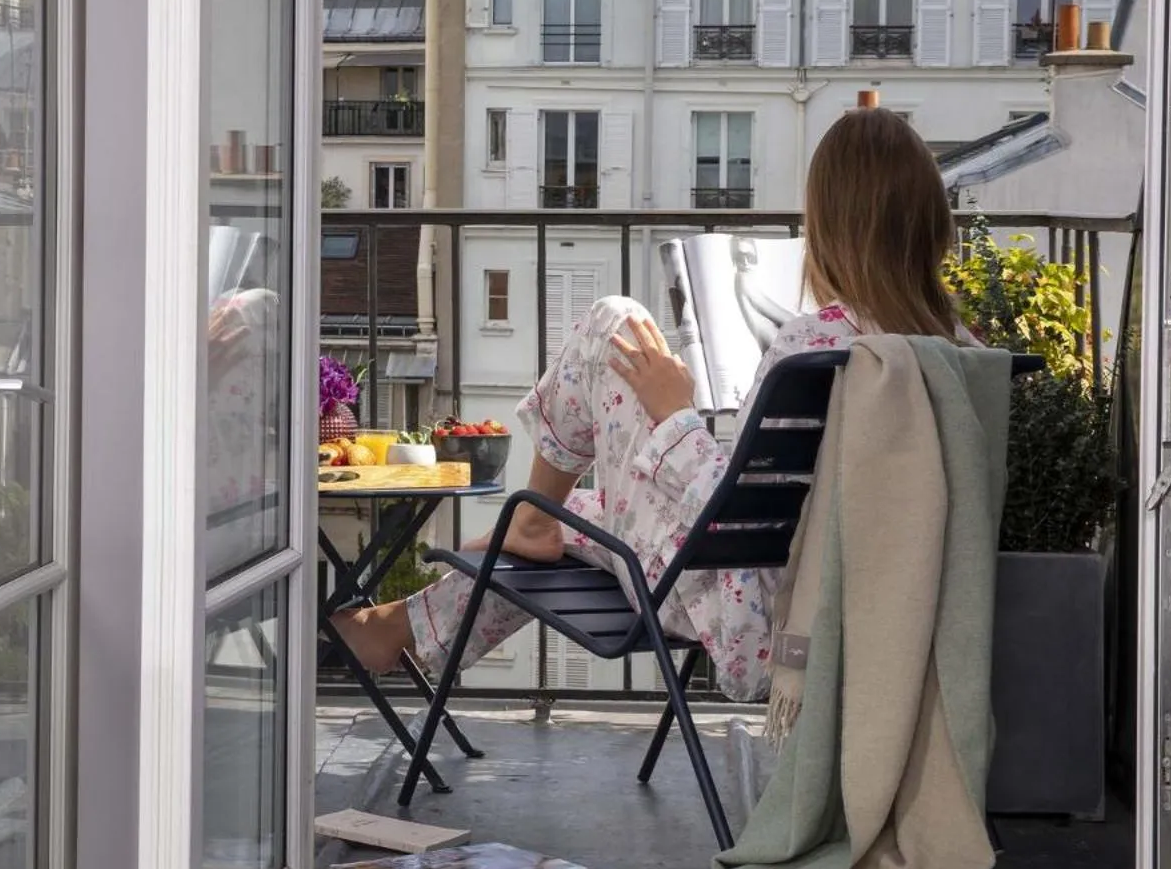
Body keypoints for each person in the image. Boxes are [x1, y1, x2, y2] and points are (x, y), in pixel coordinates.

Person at [332, 107, 970, 702]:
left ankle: (522, 528)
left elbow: (728, 522)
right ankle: (413, 616)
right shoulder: (958, 352)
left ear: (830, 226)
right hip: (860, 608)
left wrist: (675, 413)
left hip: (747, 613)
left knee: (615, 323)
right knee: (585, 515)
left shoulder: (815, 346)